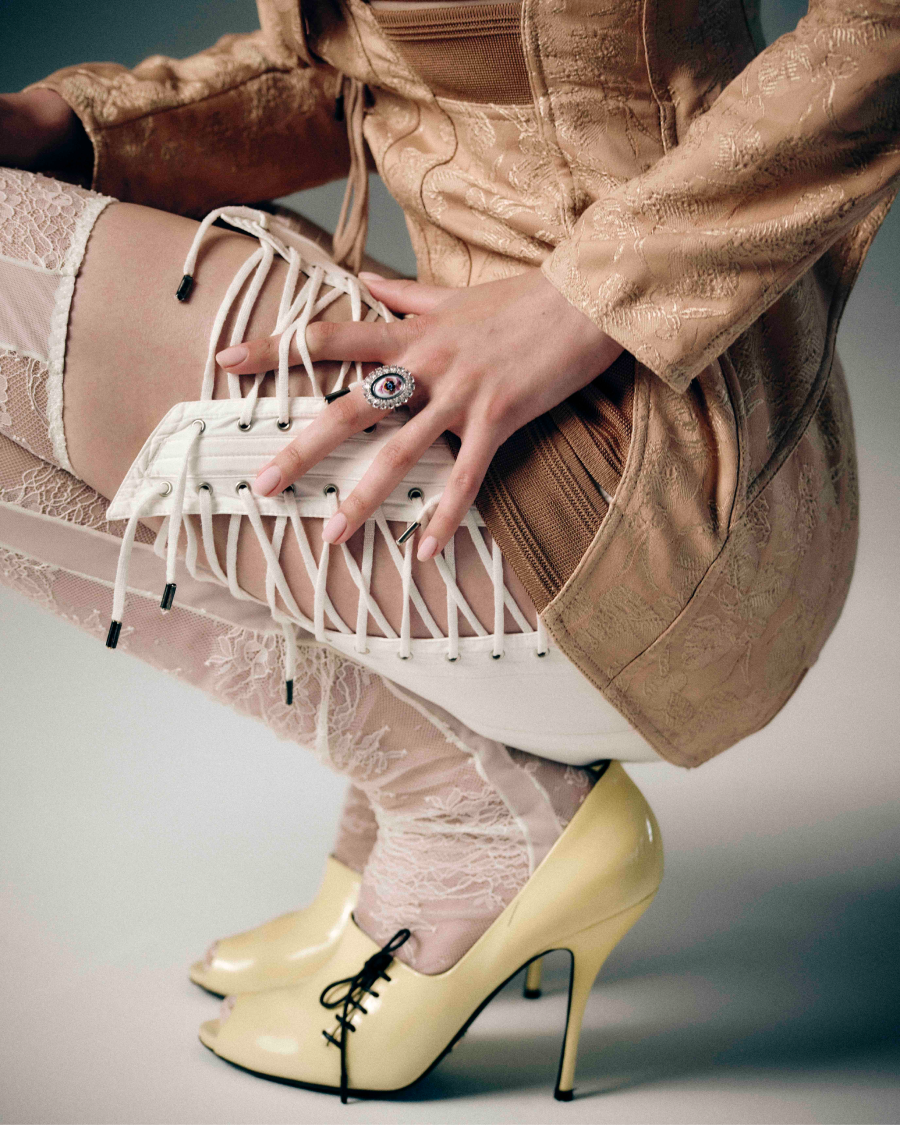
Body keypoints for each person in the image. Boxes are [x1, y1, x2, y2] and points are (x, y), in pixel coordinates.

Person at [0, 0, 897, 1102]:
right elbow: (360, 67)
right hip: (550, 470)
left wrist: (583, 300)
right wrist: (65, 125)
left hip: (657, 477)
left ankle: (473, 805)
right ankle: (431, 776)